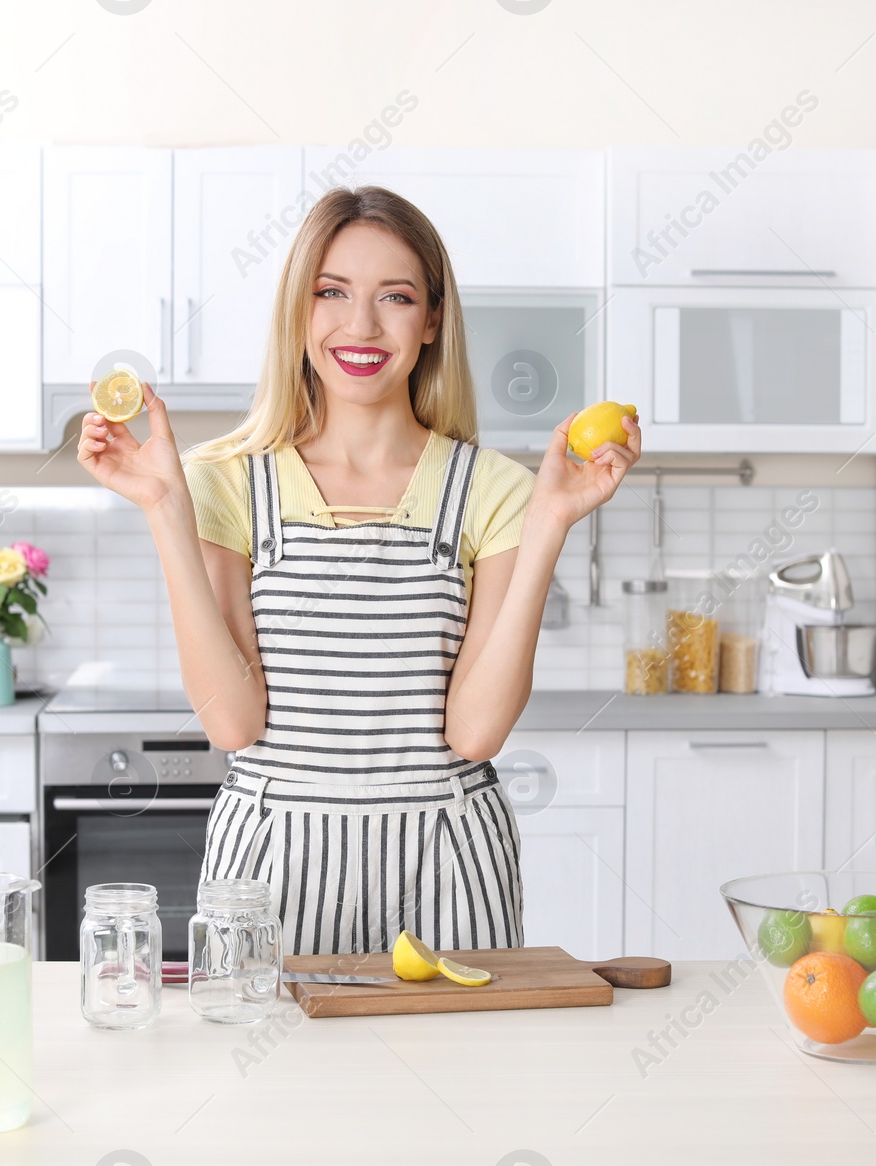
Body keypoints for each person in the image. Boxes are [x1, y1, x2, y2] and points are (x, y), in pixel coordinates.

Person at [78, 186, 640, 956]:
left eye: (396, 297)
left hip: (448, 865)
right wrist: (166, 512)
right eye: (331, 292)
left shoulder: (497, 490)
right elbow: (231, 722)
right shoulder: (225, 482)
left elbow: (475, 732)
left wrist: (547, 525)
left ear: (433, 319)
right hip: (272, 870)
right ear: (298, 311)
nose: (362, 326)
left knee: (453, 1078)